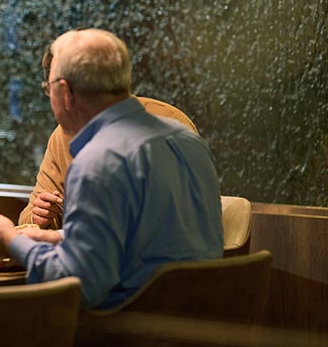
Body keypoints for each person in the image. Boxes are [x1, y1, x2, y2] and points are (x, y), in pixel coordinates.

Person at [0, 29, 222, 309]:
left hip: (134, 336)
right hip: (201, 328)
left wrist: (10, 241)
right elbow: (151, 241)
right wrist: (57, 237)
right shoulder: (187, 139)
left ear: (65, 92)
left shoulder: (99, 160)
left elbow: (81, 284)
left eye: (48, 90)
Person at [19, 44, 200, 229]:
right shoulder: (62, 136)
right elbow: (28, 218)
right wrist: (41, 216)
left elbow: (191, 212)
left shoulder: (167, 124)